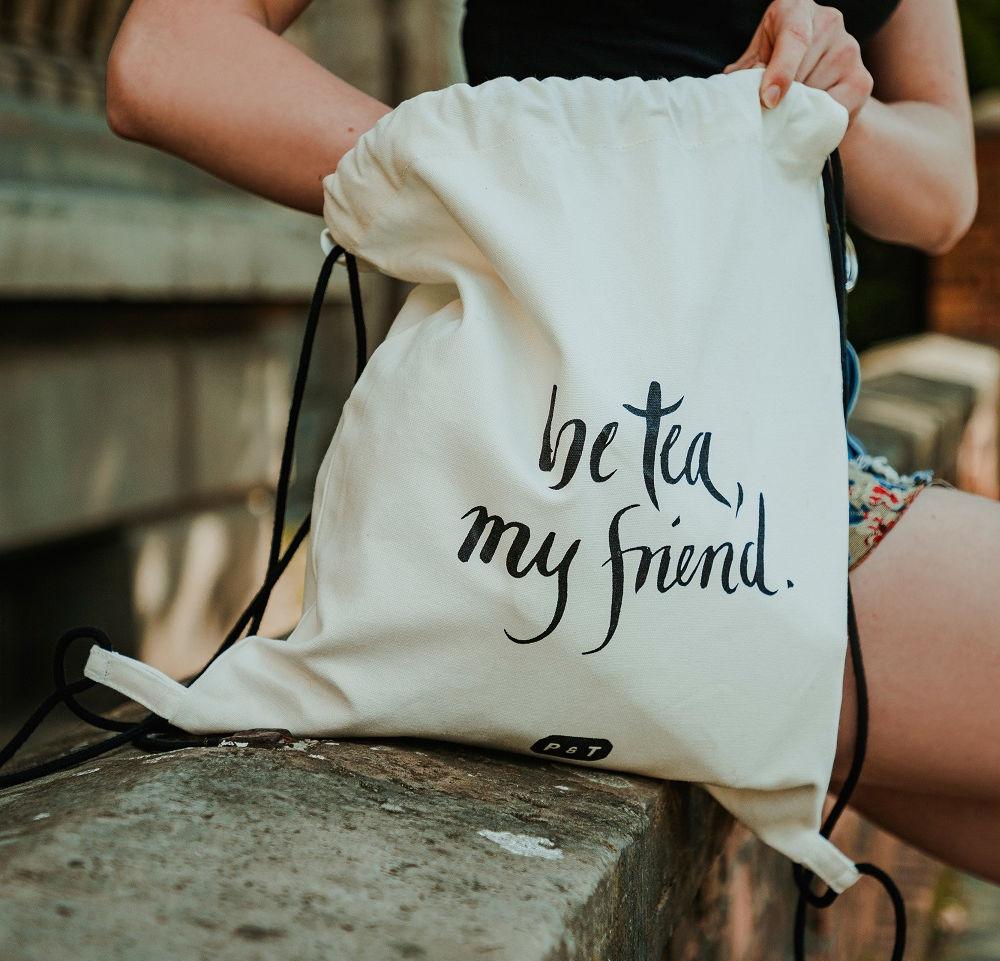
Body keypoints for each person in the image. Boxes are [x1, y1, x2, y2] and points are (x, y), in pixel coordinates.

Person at [103, 0, 998, 884]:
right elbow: (170, 55)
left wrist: (839, 106)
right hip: (618, 471)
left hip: (782, 452)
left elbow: (945, 195)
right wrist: (503, 187)